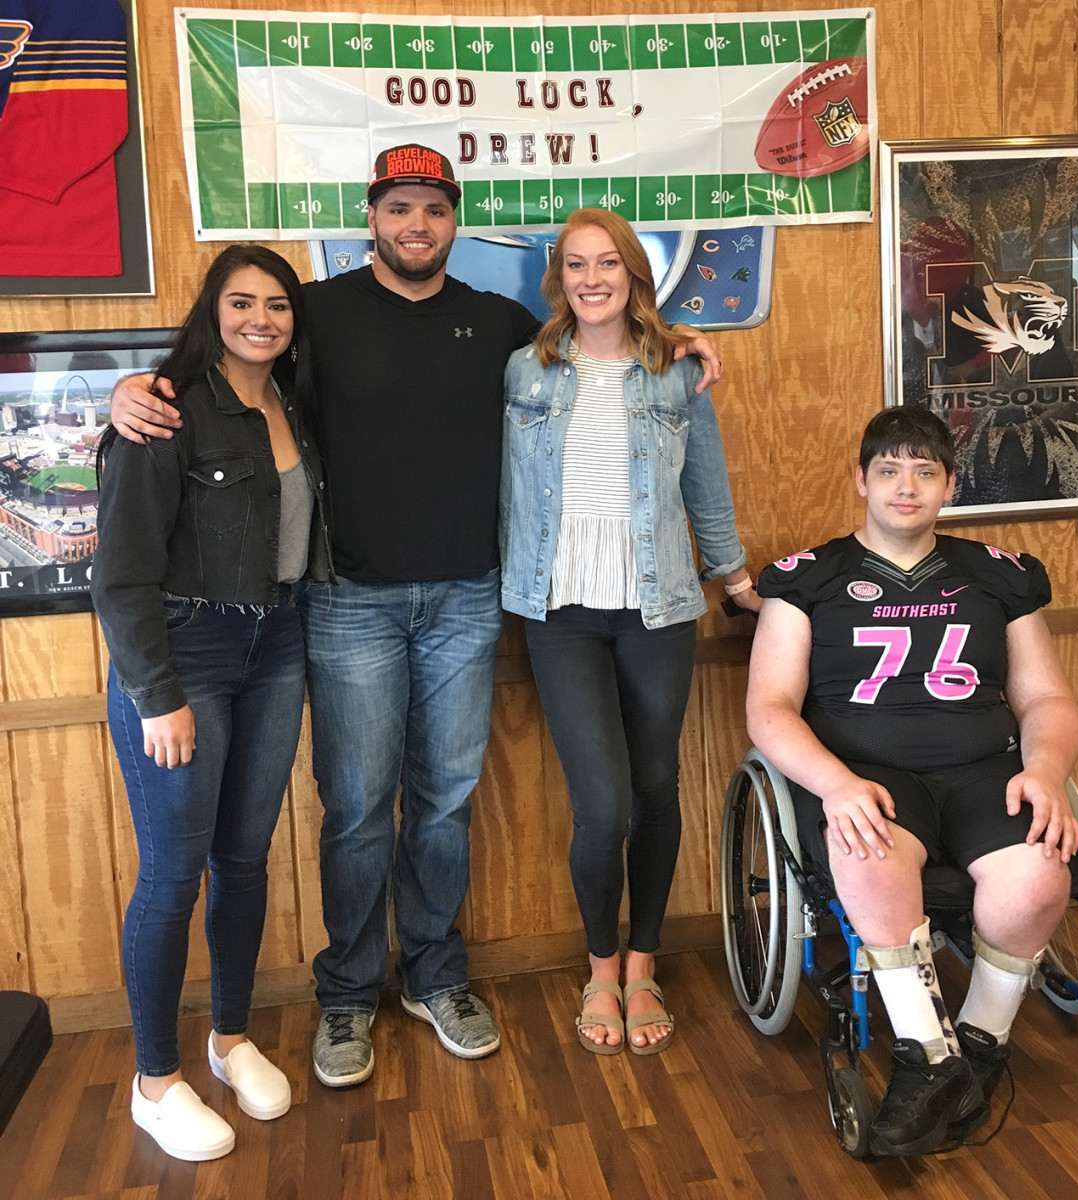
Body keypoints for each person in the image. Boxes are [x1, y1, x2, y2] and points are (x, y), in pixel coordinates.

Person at [108, 143, 724, 1087]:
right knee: (355, 810)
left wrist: (678, 341)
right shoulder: (310, 315)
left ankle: (435, 975)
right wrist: (131, 389)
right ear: (371, 219)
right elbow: (223, 352)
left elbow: (601, 357)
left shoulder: (505, 326)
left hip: (469, 601)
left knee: (443, 803)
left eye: (433, 210)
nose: (415, 226)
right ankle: (348, 994)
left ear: (453, 220)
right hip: (346, 603)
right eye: (398, 208)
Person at [745, 405, 1078, 1155]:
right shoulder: (807, 579)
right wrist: (836, 784)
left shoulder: (996, 576)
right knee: (870, 854)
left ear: (948, 485)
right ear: (861, 481)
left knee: (1041, 876)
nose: (905, 487)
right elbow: (770, 709)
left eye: (924, 471)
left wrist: (1044, 768)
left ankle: (980, 1042)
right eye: (889, 470)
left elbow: (1046, 699)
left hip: (985, 772)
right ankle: (928, 1057)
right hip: (871, 775)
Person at [500, 208, 760, 1055]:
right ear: (559, 279)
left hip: (659, 608)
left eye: (607, 263)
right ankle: (600, 964)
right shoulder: (524, 372)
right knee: (602, 806)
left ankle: (642, 963)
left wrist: (737, 580)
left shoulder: (675, 375)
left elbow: (707, 490)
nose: (591, 279)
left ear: (633, 275)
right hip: (560, 609)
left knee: (655, 791)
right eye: (576, 265)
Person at [93, 245, 332, 1160]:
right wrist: (157, 696)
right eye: (242, 303)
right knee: (172, 874)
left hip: (276, 647)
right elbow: (119, 576)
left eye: (277, 304)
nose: (260, 319)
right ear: (212, 309)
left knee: (245, 858)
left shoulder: (293, 403)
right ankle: (155, 1082)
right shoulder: (164, 410)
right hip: (184, 659)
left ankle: (229, 1041)